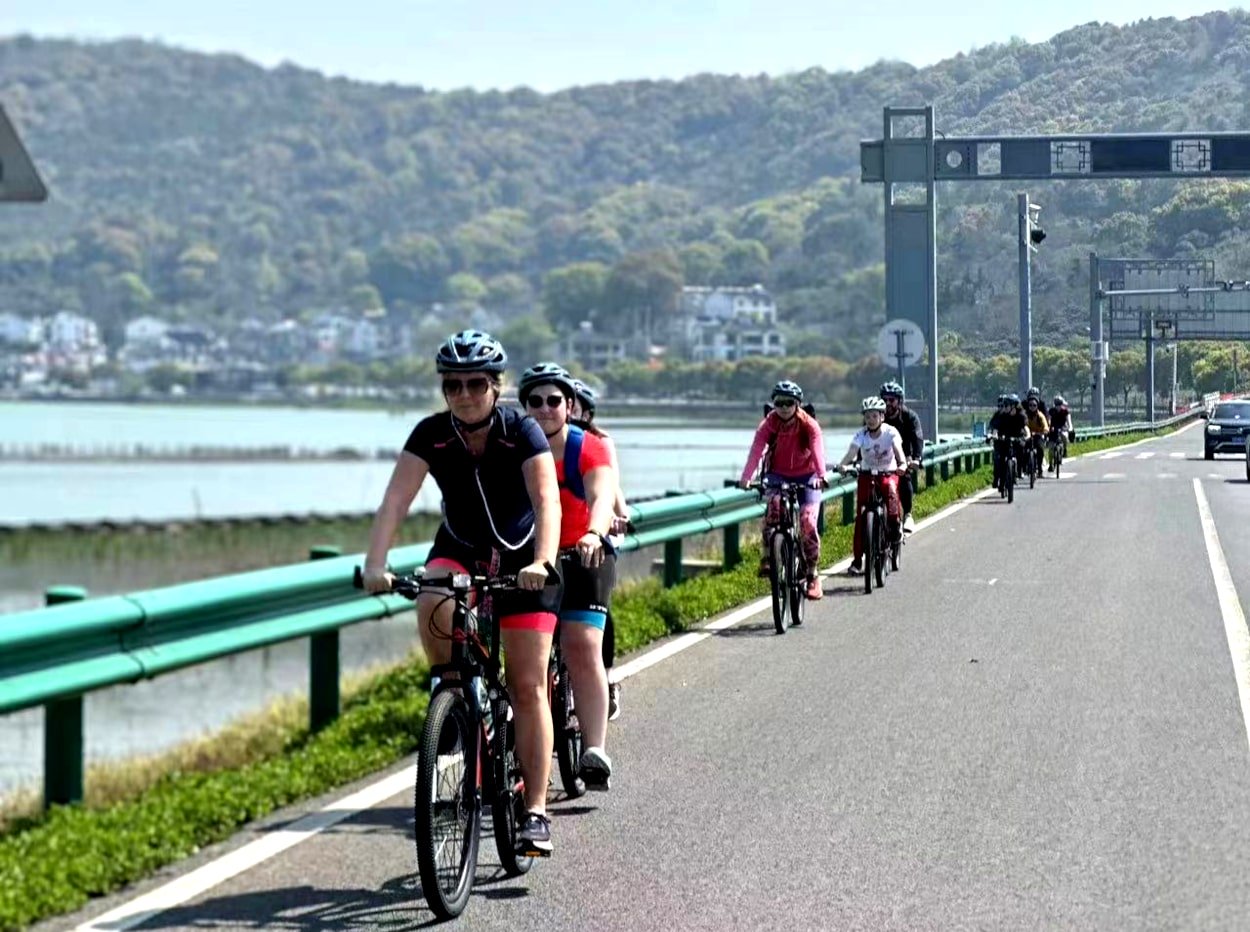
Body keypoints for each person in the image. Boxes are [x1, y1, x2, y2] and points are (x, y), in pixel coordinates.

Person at [362, 330, 561, 855]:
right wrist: (375, 564)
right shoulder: (431, 434)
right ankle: (449, 690)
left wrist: (543, 560)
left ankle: (536, 812)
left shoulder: (521, 430)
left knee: (526, 684)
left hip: (524, 560)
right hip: (461, 546)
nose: (465, 394)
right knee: (430, 595)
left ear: (497, 386)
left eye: (476, 383)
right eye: (453, 385)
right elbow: (395, 500)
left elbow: (547, 500)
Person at [519, 363, 620, 790]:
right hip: (533, 559)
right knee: (527, 657)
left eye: (553, 401)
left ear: (570, 405)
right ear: (523, 407)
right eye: (535, 401)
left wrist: (596, 532)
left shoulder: (588, 448)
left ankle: (594, 749)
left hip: (584, 553)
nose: (544, 409)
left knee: (580, 643)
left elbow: (601, 497)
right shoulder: (513, 450)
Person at [570, 378, 628, 722]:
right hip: (551, 538)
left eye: (570, 403)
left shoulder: (599, 442)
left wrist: (621, 514)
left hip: (593, 532)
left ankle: (605, 678)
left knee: (598, 610)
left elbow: (610, 484)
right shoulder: (536, 440)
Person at [738, 380, 827, 600]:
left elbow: (817, 449)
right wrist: (746, 478)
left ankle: (812, 574)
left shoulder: (808, 424)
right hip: (777, 475)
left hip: (808, 476)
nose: (784, 407)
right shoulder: (769, 423)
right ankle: (769, 557)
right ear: (774, 403)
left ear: (798, 404)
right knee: (774, 509)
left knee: (807, 521)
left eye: (789, 403)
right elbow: (757, 450)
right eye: (779, 403)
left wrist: (821, 476)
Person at [834, 396, 907, 576]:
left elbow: (898, 450)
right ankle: (858, 560)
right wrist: (842, 465)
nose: (871, 420)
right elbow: (852, 452)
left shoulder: (891, 432)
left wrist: (902, 464)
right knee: (861, 518)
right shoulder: (861, 435)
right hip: (866, 475)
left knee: (890, 493)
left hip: (888, 473)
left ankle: (895, 527)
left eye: (874, 416)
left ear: (882, 417)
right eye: (867, 416)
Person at [880, 380, 924, 534]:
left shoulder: (909, 417)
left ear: (899, 401)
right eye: (884, 400)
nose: (887, 404)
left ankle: (908, 514)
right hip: (880, 458)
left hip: (903, 457)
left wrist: (917, 458)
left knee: (904, 478)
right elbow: (864, 439)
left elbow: (917, 438)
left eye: (891, 400)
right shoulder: (875, 416)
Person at [988, 392, 1029, 487]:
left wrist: (1027, 436)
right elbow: (996, 428)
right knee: (1000, 459)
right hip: (1004, 439)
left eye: (1007, 405)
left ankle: (1019, 471)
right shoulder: (1002, 416)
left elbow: (1026, 428)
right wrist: (994, 435)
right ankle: (999, 477)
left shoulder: (1021, 416)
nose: (1004, 407)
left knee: (1021, 450)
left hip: (1017, 438)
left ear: (1013, 406)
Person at [1023, 391, 1050, 478]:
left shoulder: (1040, 415)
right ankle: (1024, 468)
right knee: (1023, 449)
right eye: (1030, 405)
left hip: (1037, 435)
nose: (1032, 407)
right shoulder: (1024, 415)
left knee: (1040, 449)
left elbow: (1045, 426)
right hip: (1027, 436)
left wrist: (1044, 431)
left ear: (1037, 406)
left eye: (1034, 405)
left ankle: (1040, 470)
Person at [1047, 395, 1072, 472]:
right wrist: (1049, 427)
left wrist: (1070, 428)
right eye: (1057, 405)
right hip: (1053, 428)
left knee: (1064, 436)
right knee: (1051, 448)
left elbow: (1069, 421)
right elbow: (1049, 420)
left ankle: (1064, 449)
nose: (1058, 406)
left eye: (1060, 404)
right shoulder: (1051, 411)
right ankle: (1051, 464)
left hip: (1062, 427)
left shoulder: (1065, 411)